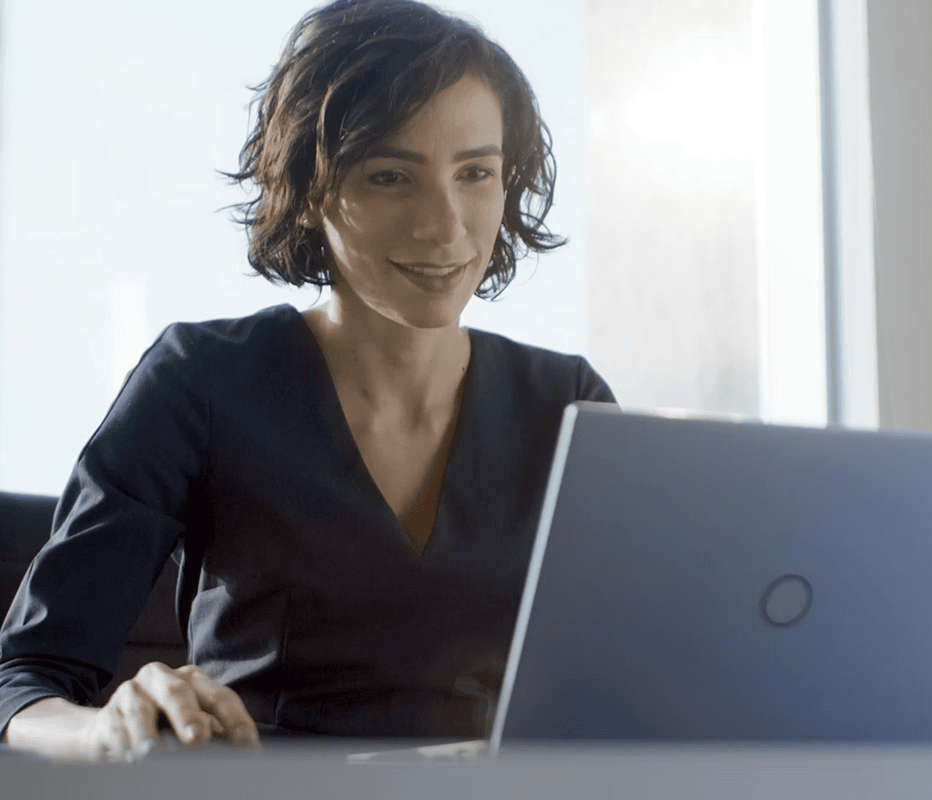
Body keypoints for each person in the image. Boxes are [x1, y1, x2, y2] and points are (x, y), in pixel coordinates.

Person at [0, 0, 614, 761]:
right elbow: (22, 678)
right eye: (391, 176)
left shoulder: (569, 406)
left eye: (476, 173)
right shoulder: (202, 380)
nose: (447, 226)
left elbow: (652, 673)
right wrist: (109, 730)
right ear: (312, 187)